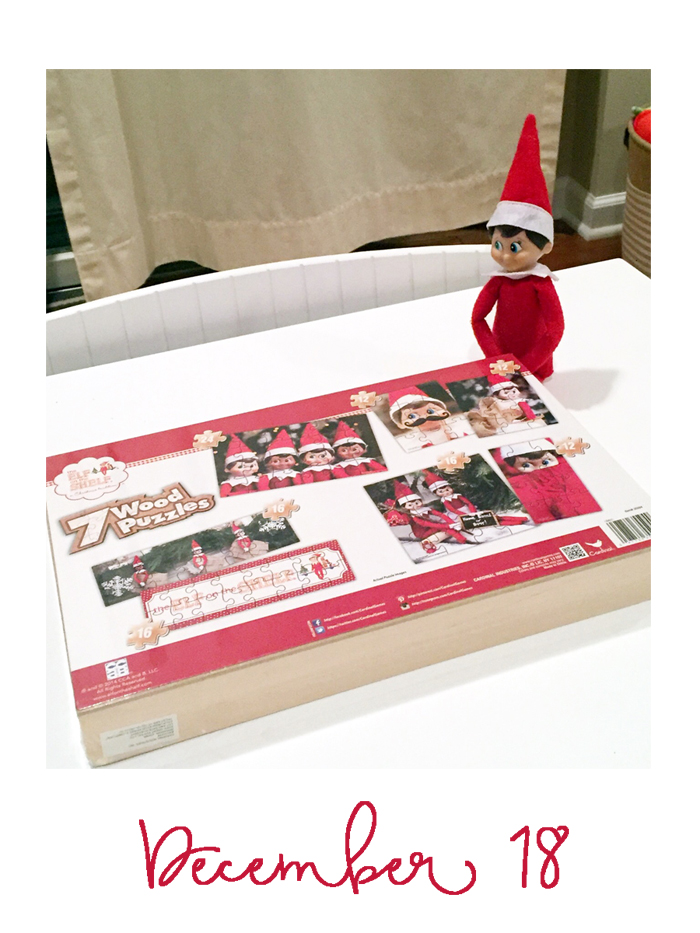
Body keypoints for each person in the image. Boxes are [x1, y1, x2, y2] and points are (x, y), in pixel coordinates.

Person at [471, 115, 564, 381]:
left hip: (537, 367)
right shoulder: (498, 282)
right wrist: (496, 357)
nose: (503, 255)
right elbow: (478, 319)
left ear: (546, 246)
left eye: (515, 247)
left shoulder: (540, 284)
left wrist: (527, 366)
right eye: (497, 244)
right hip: (502, 363)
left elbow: (555, 330)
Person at [493, 441, 601, 523]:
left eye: (545, 462)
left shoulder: (571, 471)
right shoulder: (520, 484)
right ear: (513, 467)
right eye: (526, 465)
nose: (540, 468)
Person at [387, 385, 471, 449]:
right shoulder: (409, 446)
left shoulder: (465, 426)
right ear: (401, 424)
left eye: (430, 411)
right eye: (412, 416)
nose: (425, 417)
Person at [467, 374, 545, 437]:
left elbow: (529, 415)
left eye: (514, 391)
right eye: (506, 392)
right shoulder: (493, 403)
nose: (511, 394)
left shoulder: (522, 402)